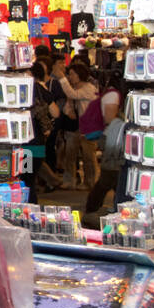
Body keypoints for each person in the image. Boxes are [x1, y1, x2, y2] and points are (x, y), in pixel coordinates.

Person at [84, 70, 126, 215]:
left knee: (112, 180)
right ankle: (92, 209)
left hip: (115, 142)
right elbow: (109, 118)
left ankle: (98, 208)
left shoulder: (113, 94)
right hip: (114, 143)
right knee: (108, 179)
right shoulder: (113, 95)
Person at [56, 59, 98, 190]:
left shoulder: (89, 88)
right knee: (70, 154)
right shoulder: (76, 88)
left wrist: (62, 79)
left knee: (88, 157)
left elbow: (72, 95)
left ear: (80, 75)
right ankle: (70, 180)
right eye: (69, 74)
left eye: (72, 74)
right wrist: (69, 112)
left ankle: (90, 182)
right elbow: (69, 104)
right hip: (75, 126)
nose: (70, 77)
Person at [30, 60, 64, 192]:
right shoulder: (40, 89)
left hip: (22, 144)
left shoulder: (29, 88)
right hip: (38, 140)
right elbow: (55, 113)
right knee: (29, 181)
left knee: (25, 181)